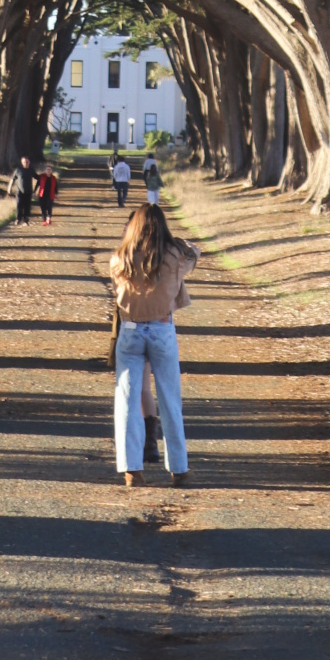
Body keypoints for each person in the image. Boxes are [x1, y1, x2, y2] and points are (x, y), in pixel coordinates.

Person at [109, 203, 198, 488]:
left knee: (127, 399)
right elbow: (195, 252)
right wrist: (177, 241)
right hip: (161, 329)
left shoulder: (119, 258)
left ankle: (131, 469)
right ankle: (179, 467)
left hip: (130, 329)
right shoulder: (173, 257)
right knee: (170, 399)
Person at [10, 156, 35, 225]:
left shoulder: (31, 170)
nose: (26, 163)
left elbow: (37, 177)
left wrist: (34, 191)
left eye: (27, 162)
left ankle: (25, 221)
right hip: (19, 191)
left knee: (27, 206)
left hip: (28, 191)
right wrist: (9, 188)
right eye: (24, 162)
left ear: (29, 162)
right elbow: (13, 179)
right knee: (19, 205)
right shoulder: (18, 170)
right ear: (22, 162)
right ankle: (18, 219)